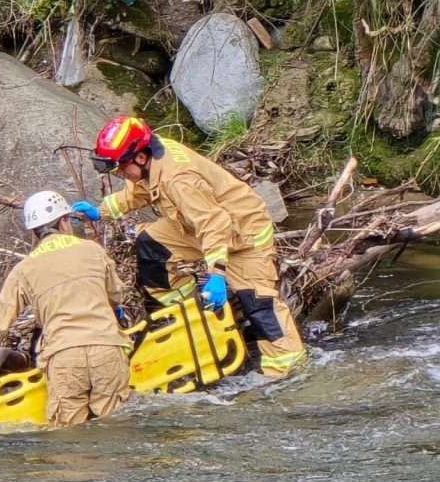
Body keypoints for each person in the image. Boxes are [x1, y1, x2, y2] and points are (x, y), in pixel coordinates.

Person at [73, 116, 305, 379]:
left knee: (259, 303)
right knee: (152, 251)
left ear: (139, 157)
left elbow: (215, 224)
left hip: (242, 236)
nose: (119, 174)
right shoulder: (154, 159)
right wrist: (102, 211)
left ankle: (289, 372)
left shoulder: (178, 179)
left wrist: (216, 273)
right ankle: (197, 316)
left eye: (121, 168)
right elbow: (141, 189)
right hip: (192, 226)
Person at [0, 190, 131, 427]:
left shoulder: (26, 268)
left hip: (64, 357)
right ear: (64, 222)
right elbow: (115, 292)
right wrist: (117, 309)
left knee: (70, 440)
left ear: (33, 232)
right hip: (108, 348)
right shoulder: (93, 250)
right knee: (115, 428)